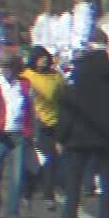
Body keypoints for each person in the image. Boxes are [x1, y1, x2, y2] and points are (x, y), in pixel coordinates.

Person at [56, 34, 109, 218]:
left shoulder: (78, 73)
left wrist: (61, 136)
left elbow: (67, 109)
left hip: (80, 134)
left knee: (74, 180)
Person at [0, 54, 31, 218]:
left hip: (18, 133)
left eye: (9, 66)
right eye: (4, 66)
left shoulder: (24, 84)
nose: (6, 70)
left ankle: (12, 211)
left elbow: (29, 110)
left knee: (17, 175)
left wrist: (29, 132)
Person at [21, 46, 64, 206]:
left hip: (54, 123)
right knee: (35, 161)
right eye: (40, 57)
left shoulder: (57, 77)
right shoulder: (26, 76)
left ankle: (48, 194)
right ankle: (28, 191)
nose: (44, 60)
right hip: (35, 124)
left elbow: (63, 98)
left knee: (51, 160)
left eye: (45, 57)